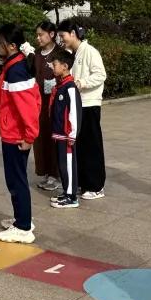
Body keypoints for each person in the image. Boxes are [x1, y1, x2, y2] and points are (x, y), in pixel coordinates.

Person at [0, 24, 42, 243]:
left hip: (16, 135)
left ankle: (23, 228)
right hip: (13, 131)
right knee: (15, 179)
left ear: (12, 46)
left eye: (0, 42)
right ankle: (22, 218)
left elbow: (29, 107)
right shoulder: (14, 65)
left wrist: (30, 136)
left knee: (16, 180)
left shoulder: (16, 70)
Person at [56, 19, 107, 199]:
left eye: (62, 35)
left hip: (89, 104)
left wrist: (81, 83)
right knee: (80, 146)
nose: (61, 39)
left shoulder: (90, 51)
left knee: (91, 146)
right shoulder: (72, 53)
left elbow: (101, 75)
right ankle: (83, 183)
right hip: (77, 104)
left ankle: (96, 186)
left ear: (73, 34)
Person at [48, 47, 82, 209]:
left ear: (65, 66)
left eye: (55, 64)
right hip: (59, 134)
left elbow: (74, 113)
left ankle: (72, 197)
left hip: (67, 135)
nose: (53, 67)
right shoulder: (61, 86)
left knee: (68, 164)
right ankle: (66, 191)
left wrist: (72, 135)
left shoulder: (70, 88)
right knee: (62, 165)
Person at [30, 21, 61, 192]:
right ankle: (45, 172)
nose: (38, 38)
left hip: (55, 104)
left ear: (52, 34)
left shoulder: (60, 53)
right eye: (37, 35)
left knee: (53, 138)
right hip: (38, 103)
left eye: (41, 34)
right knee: (40, 138)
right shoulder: (36, 54)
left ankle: (56, 174)